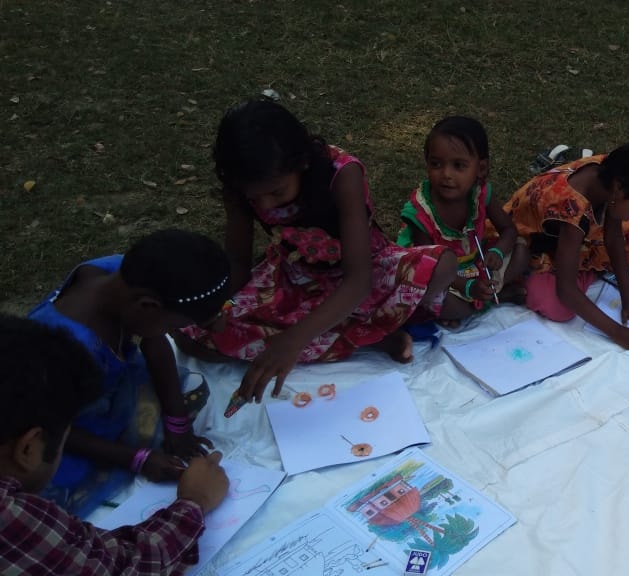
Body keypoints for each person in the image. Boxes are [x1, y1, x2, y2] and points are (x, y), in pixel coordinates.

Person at [177, 100, 458, 403]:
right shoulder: (239, 186)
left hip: (364, 273)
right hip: (293, 278)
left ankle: (348, 333)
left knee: (440, 266)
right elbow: (237, 262)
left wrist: (293, 340)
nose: (266, 204)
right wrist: (222, 306)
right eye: (255, 198)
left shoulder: (343, 175)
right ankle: (369, 335)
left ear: (302, 163)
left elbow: (358, 281)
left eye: (276, 192)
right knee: (191, 336)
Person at [0, 314, 230, 576]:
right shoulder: (11, 517)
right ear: (28, 449)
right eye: (65, 437)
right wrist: (195, 502)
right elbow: (126, 566)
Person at [28, 229, 229, 517]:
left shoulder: (121, 275)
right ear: (148, 306)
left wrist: (177, 423)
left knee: (182, 394)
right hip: (59, 420)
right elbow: (45, 424)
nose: (172, 333)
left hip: (99, 384)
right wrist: (137, 459)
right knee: (48, 489)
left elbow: (154, 340)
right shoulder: (65, 347)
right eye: (175, 326)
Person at [504, 141, 629, 351]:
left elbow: (613, 237)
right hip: (524, 243)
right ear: (619, 189)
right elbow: (566, 290)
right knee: (559, 307)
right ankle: (522, 282)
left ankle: (574, 269)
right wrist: (617, 332)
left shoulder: (610, 174)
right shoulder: (572, 211)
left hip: (564, 236)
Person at [397, 116, 529, 326]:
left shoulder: (480, 194)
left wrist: (497, 252)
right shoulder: (420, 212)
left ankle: (477, 301)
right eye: (436, 164)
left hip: (475, 264)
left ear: (481, 169)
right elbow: (428, 268)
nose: (446, 174)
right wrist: (467, 287)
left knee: (521, 252)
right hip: (440, 276)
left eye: (458, 166)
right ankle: (491, 298)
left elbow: (509, 230)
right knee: (436, 300)